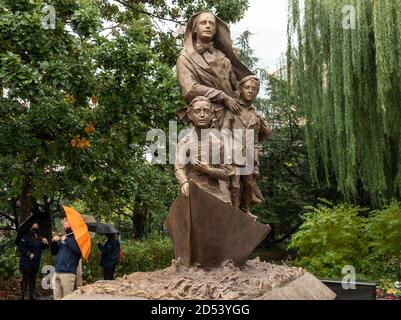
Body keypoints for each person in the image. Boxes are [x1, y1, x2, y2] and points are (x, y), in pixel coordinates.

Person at [176, 11, 253, 127]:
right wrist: (223, 97)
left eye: (211, 24)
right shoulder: (185, 58)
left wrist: (238, 101)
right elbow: (190, 89)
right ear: (195, 29)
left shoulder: (224, 59)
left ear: (215, 30)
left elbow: (235, 87)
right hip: (205, 118)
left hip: (232, 115)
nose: (208, 26)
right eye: (203, 23)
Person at [221, 75, 272, 217]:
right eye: (247, 88)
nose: (250, 91)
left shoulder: (255, 115)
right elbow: (224, 131)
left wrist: (256, 157)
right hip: (234, 151)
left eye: (254, 89)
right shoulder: (232, 109)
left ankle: (245, 210)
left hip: (250, 154)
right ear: (240, 89)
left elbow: (264, 134)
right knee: (235, 184)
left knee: (249, 184)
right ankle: (235, 212)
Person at [175, 96, 234, 203]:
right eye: (197, 111)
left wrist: (209, 170)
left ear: (211, 115)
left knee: (225, 211)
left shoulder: (218, 144)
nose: (202, 115)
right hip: (193, 190)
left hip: (215, 193)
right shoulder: (184, 143)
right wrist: (184, 182)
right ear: (190, 115)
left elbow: (227, 175)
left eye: (206, 111)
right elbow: (179, 168)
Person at [50, 218, 81, 300]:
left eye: (66, 226)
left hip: (68, 273)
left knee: (67, 297)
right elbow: (53, 252)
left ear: (72, 226)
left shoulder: (78, 239)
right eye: (64, 226)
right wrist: (54, 242)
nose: (65, 228)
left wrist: (67, 240)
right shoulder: (63, 238)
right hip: (57, 271)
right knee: (56, 297)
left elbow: (78, 251)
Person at [18, 222, 49, 300]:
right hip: (26, 261)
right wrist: (28, 254)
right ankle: (24, 295)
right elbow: (21, 248)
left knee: (33, 278)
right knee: (26, 277)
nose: (36, 226)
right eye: (34, 225)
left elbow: (42, 247)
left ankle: (32, 295)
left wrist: (45, 243)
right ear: (30, 226)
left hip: (36, 261)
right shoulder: (25, 236)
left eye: (37, 225)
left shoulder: (39, 237)